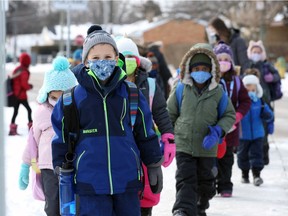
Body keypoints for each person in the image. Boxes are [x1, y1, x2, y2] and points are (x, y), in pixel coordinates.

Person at [51, 25, 163, 216]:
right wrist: (60, 166)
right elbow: (61, 136)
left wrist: (153, 163)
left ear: (117, 59)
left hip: (126, 180)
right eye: (95, 58)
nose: (102, 62)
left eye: (108, 57)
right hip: (89, 183)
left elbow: (145, 132)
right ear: (86, 61)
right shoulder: (71, 99)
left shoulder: (131, 94)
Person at [167, 43, 235, 216]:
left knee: (206, 181)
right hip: (184, 144)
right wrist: (169, 136)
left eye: (204, 68)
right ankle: (182, 209)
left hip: (207, 147)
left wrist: (219, 131)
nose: (200, 71)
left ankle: (201, 205)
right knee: (185, 178)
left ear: (212, 70)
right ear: (189, 69)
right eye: (196, 67)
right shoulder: (181, 88)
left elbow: (229, 115)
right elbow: (170, 113)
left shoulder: (218, 92)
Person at [116, 37, 175, 216]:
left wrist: (168, 137)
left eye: (131, 59)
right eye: (122, 60)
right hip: (119, 147)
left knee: (146, 193)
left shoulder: (149, 84)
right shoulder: (111, 85)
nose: (127, 64)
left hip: (145, 147)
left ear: (138, 61)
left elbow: (161, 112)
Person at [18, 56, 77, 216]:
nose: (58, 103)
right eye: (54, 98)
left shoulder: (77, 112)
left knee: (73, 205)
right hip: (48, 167)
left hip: (72, 166)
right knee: (52, 204)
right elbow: (32, 141)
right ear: (47, 94)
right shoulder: (42, 113)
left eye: (63, 97)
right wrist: (25, 166)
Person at [213, 42, 251, 197]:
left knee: (227, 158)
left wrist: (238, 115)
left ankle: (225, 185)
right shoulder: (210, 80)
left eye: (226, 59)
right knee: (211, 157)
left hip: (231, 128)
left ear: (231, 62)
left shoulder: (236, 81)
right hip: (212, 126)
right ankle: (211, 182)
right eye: (220, 58)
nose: (223, 62)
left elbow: (245, 101)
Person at [247, 40, 281, 165]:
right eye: (254, 51)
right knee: (254, 129)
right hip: (251, 103)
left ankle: (264, 156)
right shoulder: (248, 66)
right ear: (250, 53)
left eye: (258, 52)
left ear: (262, 53)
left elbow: (277, 75)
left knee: (265, 129)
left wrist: (272, 78)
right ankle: (253, 156)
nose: (256, 54)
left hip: (265, 101)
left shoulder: (267, 65)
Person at [238, 74, 274, 186]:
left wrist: (267, 114)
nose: (250, 91)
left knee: (257, 154)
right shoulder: (240, 103)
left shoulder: (260, 102)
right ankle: (244, 174)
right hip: (243, 135)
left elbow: (269, 115)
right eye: (247, 88)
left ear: (257, 89)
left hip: (258, 134)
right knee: (242, 155)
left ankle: (256, 175)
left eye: (253, 89)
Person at [9, 52, 33, 135]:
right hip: (21, 95)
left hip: (16, 94)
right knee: (29, 110)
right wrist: (29, 86)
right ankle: (31, 127)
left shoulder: (18, 69)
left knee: (16, 111)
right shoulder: (24, 71)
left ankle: (12, 128)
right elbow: (24, 84)